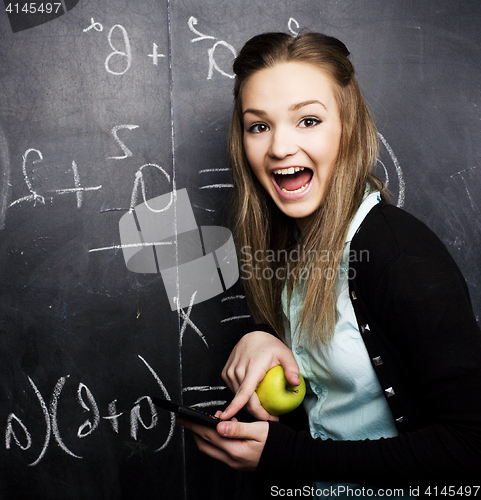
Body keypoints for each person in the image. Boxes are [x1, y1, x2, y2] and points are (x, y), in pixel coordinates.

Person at [179, 32, 481, 495]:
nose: (279, 147)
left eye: (308, 120)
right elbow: (332, 412)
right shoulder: (295, 251)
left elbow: (470, 445)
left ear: (348, 126)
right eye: (259, 126)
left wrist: (287, 456)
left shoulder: (398, 253)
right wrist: (265, 342)